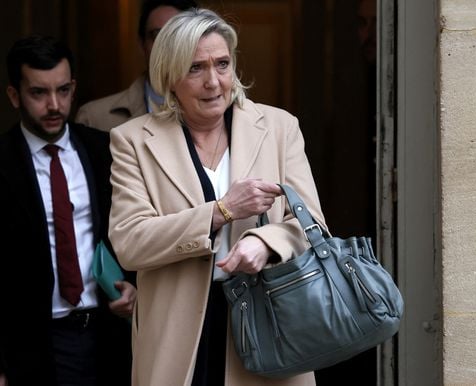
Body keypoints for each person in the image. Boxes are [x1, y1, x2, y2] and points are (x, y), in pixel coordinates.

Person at [108, 7, 326, 386]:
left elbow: (312, 225)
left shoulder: (279, 127)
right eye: (196, 68)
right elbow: (130, 242)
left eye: (222, 64)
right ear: (169, 76)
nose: (213, 81)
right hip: (177, 333)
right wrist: (221, 211)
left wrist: (265, 243)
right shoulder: (132, 141)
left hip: (269, 320)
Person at [0, 35, 136, 386]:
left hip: (107, 334)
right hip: (32, 345)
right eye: (38, 93)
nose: (54, 105)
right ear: (14, 95)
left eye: (62, 90)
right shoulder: (3, 162)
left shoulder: (104, 150)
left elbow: (133, 228)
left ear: (73, 88)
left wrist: (136, 287)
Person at [75, 0, 197, 131]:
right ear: (142, 44)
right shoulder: (94, 119)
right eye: (157, 35)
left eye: (177, 34)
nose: (165, 45)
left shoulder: (218, 112)